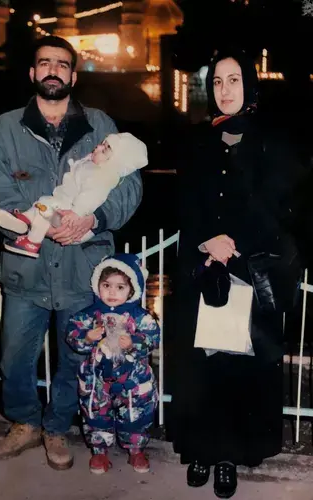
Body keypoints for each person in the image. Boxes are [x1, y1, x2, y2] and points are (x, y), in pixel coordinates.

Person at [0, 35, 142, 469]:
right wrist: (38, 221)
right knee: (15, 353)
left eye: (62, 64)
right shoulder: (5, 129)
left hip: (82, 266)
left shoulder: (102, 127)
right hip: (26, 269)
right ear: (33, 73)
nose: (53, 70)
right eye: (45, 63)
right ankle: (24, 423)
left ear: (73, 74)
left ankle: (56, 429)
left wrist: (93, 220)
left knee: (77, 356)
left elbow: (130, 186)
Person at [168, 47, 313, 499]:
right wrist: (205, 241)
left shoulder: (272, 140)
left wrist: (239, 246)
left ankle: (229, 455)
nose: (225, 90)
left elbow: (283, 208)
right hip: (204, 268)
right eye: (217, 82)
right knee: (201, 365)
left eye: (233, 80)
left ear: (249, 85)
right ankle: (201, 450)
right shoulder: (197, 141)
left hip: (249, 271)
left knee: (237, 366)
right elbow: (184, 204)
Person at [66, 253, 160, 474]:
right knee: (96, 413)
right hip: (97, 378)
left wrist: (134, 343)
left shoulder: (140, 317)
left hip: (133, 379)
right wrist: (87, 337)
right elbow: (72, 334)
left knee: (134, 412)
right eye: (106, 285)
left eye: (120, 287)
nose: (112, 292)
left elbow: (153, 338)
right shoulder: (89, 315)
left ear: (132, 289)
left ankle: (136, 450)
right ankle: (99, 452)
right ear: (97, 285)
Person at [0, 132, 147, 258]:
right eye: (102, 143)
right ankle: (28, 232)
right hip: (67, 212)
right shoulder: (95, 166)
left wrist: (78, 214)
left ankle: (27, 226)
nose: (98, 146)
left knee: (44, 207)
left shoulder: (103, 175)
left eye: (105, 149)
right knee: (43, 207)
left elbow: (92, 195)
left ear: (116, 162)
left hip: (73, 220)